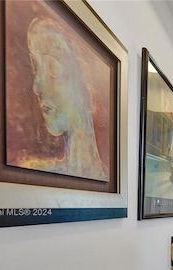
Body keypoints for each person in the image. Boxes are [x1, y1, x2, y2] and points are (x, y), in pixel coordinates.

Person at [25, 18, 109, 182]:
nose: (37, 86)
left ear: (89, 92)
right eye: (36, 67)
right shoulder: (35, 170)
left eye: (53, 68)